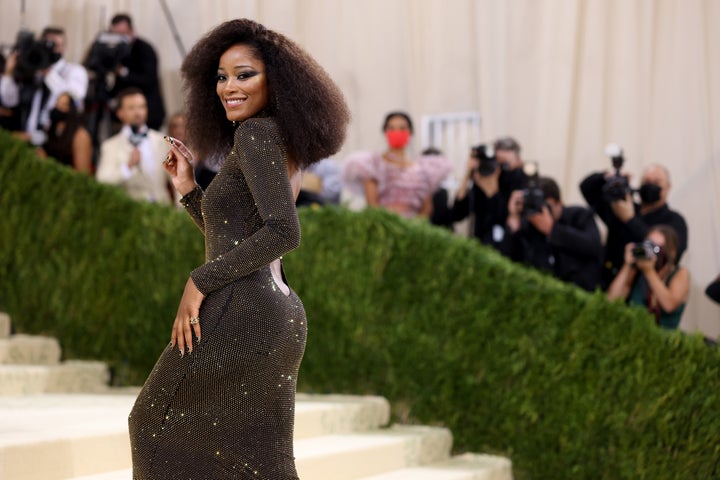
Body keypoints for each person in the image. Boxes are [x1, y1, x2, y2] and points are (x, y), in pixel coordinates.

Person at [127, 18, 349, 479]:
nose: (229, 86)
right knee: (258, 461)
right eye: (222, 76)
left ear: (277, 81)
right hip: (276, 312)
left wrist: (198, 279)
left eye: (244, 74)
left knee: (151, 426)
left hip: (243, 307)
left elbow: (285, 232)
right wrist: (188, 187)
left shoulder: (256, 135)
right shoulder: (274, 139)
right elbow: (235, 233)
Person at [580, 163, 688, 289]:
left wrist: (630, 220)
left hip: (640, 289)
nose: (651, 185)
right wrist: (608, 177)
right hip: (603, 279)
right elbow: (587, 188)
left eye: (657, 182)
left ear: (668, 187)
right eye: (647, 181)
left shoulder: (674, 220)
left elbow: (668, 255)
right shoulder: (622, 207)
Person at [501, 176, 603, 291]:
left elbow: (594, 247)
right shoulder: (528, 225)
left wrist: (552, 229)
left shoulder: (579, 216)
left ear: (559, 203)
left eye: (546, 206)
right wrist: (513, 218)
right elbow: (507, 260)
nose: (541, 212)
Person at [343, 111, 452, 218]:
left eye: (402, 128)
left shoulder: (422, 169)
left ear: (411, 132)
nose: (397, 132)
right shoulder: (373, 164)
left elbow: (426, 208)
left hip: (413, 232)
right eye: (392, 128)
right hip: (383, 229)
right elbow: (372, 205)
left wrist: (412, 227)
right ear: (385, 132)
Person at [0, 26, 88, 145]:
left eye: (56, 46)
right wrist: (9, 73)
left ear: (64, 48)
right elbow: (9, 101)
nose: (52, 50)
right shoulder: (31, 72)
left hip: (55, 142)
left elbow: (72, 98)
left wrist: (48, 71)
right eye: (47, 45)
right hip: (23, 137)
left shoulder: (74, 71)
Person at [95, 87, 173, 204]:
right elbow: (102, 181)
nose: (138, 112)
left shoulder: (162, 140)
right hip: (131, 213)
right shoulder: (110, 146)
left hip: (163, 212)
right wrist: (127, 167)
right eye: (131, 108)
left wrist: (182, 210)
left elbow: (176, 178)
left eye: (142, 107)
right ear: (120, 113)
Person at [607, 224, 690, 329]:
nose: (651, 251)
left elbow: (669, 305)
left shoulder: (680, 273)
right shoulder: (638, 269)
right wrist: (627, 265)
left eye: (657, 248)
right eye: (648, 245)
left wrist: (649, 272)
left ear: (672, 252)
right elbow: (611, 299)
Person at [450, 137, 528, 249]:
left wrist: (492, 192)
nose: (497, 167)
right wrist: (468, 174)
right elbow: (456, 214)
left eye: (503, 164)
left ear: (518, 163)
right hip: (479, 245)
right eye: (495, 161)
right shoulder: (482, 179)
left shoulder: (518, 180)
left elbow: (508, 219)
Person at [108, 14, 166, 130]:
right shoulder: (117, 51)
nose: (119, 38)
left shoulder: (145, 49)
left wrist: (123, 72)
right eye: (115, 35)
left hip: (149, 115)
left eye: (122, 34)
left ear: (131, 31)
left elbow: (148, 80)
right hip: (125, 117)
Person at [36, 92, 93, 173]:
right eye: (56, 104)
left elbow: (83, 174)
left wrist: (48, 164)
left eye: (63, 105)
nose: (57, 108)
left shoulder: (80, 136)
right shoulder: (52, 131)